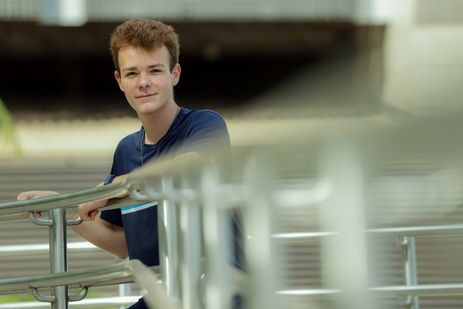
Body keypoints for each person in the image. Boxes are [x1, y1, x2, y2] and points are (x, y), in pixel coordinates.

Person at [17, 18, 230, 309]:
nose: (143, 82)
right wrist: (61, 208)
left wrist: (121, 185)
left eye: (155, 70)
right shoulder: (127, 151)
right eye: (132, 73)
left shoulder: (205, 125)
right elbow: (124, 244)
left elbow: (187, 168)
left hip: (220, 294)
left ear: (175, 74)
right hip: (163, 297)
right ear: (119, 81)